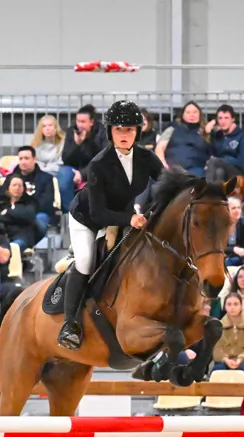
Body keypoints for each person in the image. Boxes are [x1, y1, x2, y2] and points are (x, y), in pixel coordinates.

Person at [58, 101, 162, 350]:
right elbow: (98, 213)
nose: (124, 135)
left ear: (138, 131)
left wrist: (192, 188)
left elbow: (168, 180)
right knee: (85, 261)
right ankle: (70, 324)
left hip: (122, 214)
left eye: (129, 129)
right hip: (87, 218)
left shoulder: (146, 157)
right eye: (118, 129)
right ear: (110, 132)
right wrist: (130, 219)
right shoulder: (99, 164)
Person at [58, 103, 105, 220]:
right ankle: (69, 213)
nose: (80, 125)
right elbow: (66, 158)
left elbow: (101, 158)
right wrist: (76, 144)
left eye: (83, 122)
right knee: (64, 175)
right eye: (78, 121)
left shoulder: (102, 132)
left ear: (91, 122)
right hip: (73, 168)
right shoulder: (72, 131)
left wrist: (83, 174)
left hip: (95, 168)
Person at [2, 146, 54, 242]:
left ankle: (21, 243)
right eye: (21, 159)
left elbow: (46, 203)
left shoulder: (46, 178)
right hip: (13, 215)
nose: (23, 162)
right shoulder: (10, 178)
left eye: (26, 158)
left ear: (34, 159)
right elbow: (2, 197)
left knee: (39, 219)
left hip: (36, 215)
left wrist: (25, 212)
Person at [155, 101, 211, 177]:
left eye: (195, 112)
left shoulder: (205, 132)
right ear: (183, 115)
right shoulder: (172, 129)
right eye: (188, 112)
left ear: (200, 115)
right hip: (172, 170)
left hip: (196, 171)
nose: (192, 115)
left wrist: (210, 131)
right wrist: (163, 164)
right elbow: (159, 148)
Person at [210, 293, 244, 372]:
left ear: (241, 306)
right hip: (224, 361)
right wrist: (225, 360)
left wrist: (240, 359)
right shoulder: (218, 326)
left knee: (243, 370)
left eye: (236, 304)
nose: (232, 307)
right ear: (225, 307)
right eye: (229, 304)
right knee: (218, 371)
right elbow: (216, 348)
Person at [206, 104, 244, 183]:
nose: (223, 121)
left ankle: (206, 189)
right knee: (219, 172)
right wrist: (207, 134)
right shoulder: (216, 136)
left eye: (226, 118)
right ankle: (215, 191)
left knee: (214, 161)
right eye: (220, 118)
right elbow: (208, 154)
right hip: (221, 171)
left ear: (233, 119)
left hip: (239, 174)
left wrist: (225, 160)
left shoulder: (243, 136)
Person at [0, 175, 41, 250]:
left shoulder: (30, 202)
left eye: (20, 186)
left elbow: (29, 216)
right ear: (8, 187)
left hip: (22, 237)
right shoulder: (0, 202)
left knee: (13, 248)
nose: (17, 188)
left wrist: (8, 212)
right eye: (14, 185)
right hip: (4, 237)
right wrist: (18, 217)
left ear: (24, 188)